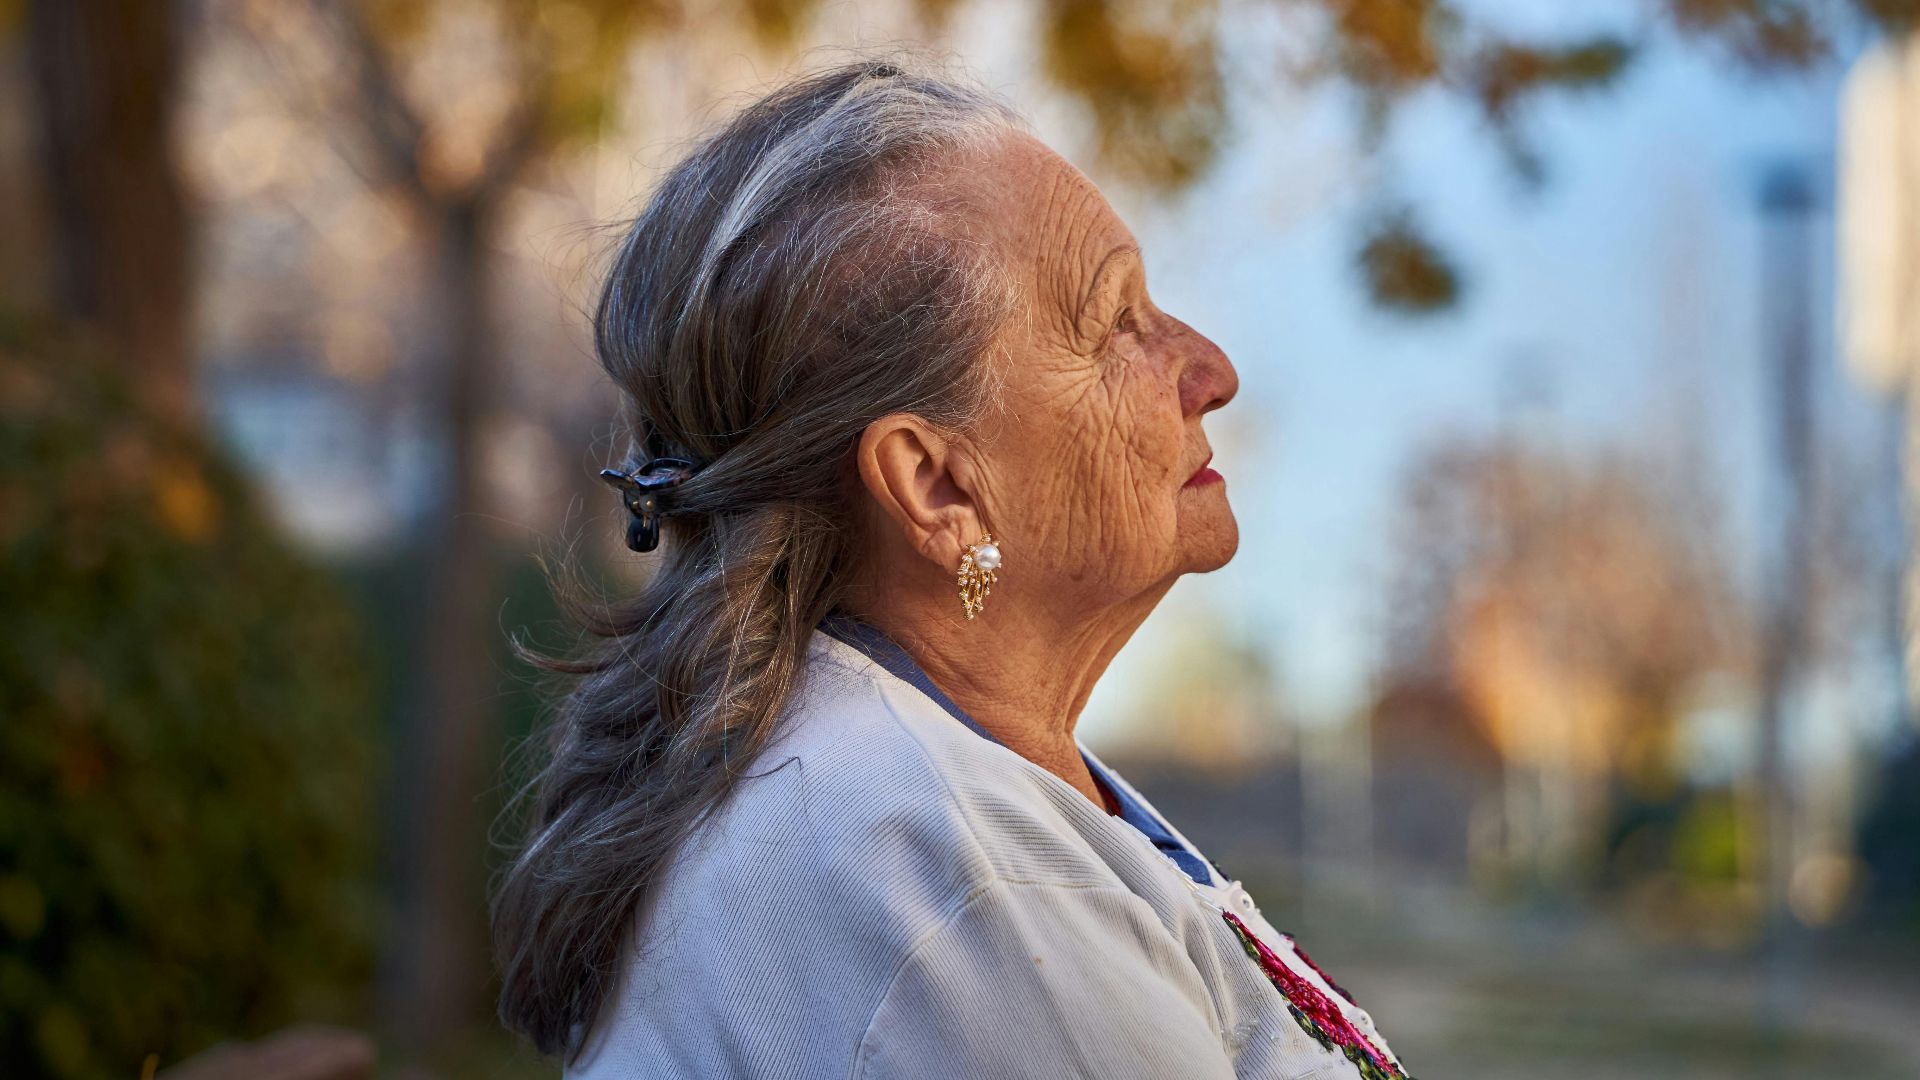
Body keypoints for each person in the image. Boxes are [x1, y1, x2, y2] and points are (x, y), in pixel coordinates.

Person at [491, 58, 1411, 1080]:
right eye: (1116, 324)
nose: (1209, 371)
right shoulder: (966, 884)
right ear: (936, 487)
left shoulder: (924, 799)